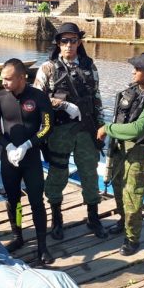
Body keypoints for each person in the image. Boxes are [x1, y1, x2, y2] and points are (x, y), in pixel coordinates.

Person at [33, 22, 107, 241]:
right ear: (58, 44)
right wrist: (62, 104)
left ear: (79, 42)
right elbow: (37, 98)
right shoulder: (48, 68)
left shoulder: (89, 66)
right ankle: (56, 218)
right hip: (60, 131)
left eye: (72, 40)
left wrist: (102, 126)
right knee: (58, 172)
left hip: (86, 129)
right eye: (64, 41)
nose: (68, 45)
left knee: (89, 172)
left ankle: (93, 217)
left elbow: (97, 97)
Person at [96, 53, 144, 256]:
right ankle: (122, 221)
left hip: (137, 150)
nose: (133, 71)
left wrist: (106, 129)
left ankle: (132, 238)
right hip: (119, 147)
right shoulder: (133, 90)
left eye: (137, 69)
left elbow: (139, 128)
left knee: (133, 194)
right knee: (118, 187)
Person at [0, 59, 54, 265]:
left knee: (36, 201)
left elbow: (47, 127)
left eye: (8, 79)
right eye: (2, 78)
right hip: (9, 157)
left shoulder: (39, 97)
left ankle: (42, 246)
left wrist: (27, 145)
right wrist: (8, 147)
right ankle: (17, 236)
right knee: (12, 198)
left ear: (22, 77)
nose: (4, 82)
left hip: (31, 157)